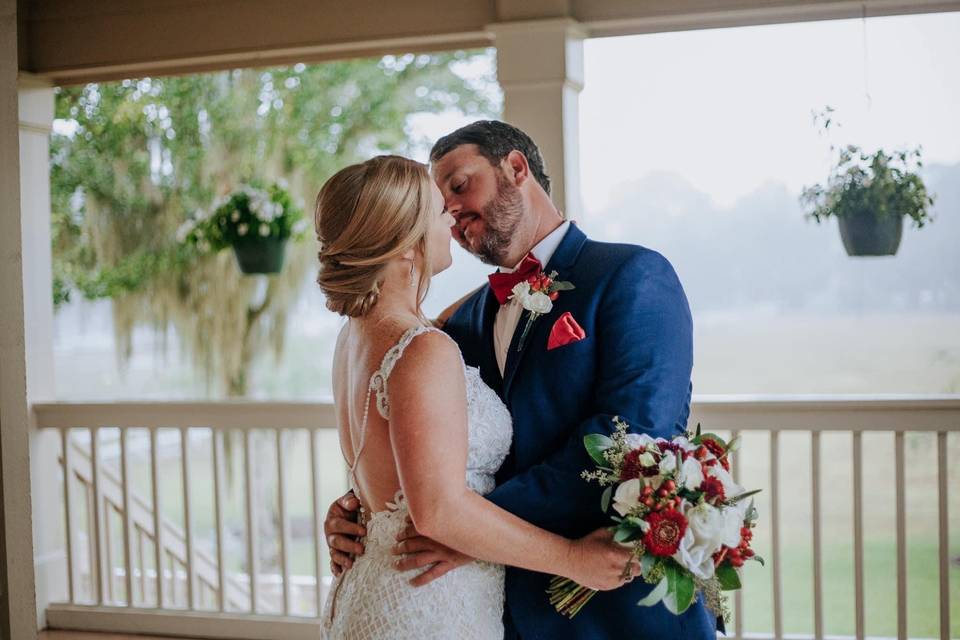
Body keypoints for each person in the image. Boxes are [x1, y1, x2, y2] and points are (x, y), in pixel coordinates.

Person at [326, 122, 720, 638]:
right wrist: (362, 511)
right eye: (438, 201)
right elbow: (416, 446)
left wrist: (463, 522)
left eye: (459, 185)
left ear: (515, 169)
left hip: (617, 609)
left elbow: (631, 436)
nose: (449, 211)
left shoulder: (633, 275)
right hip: (502, 612)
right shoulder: (454, 326)